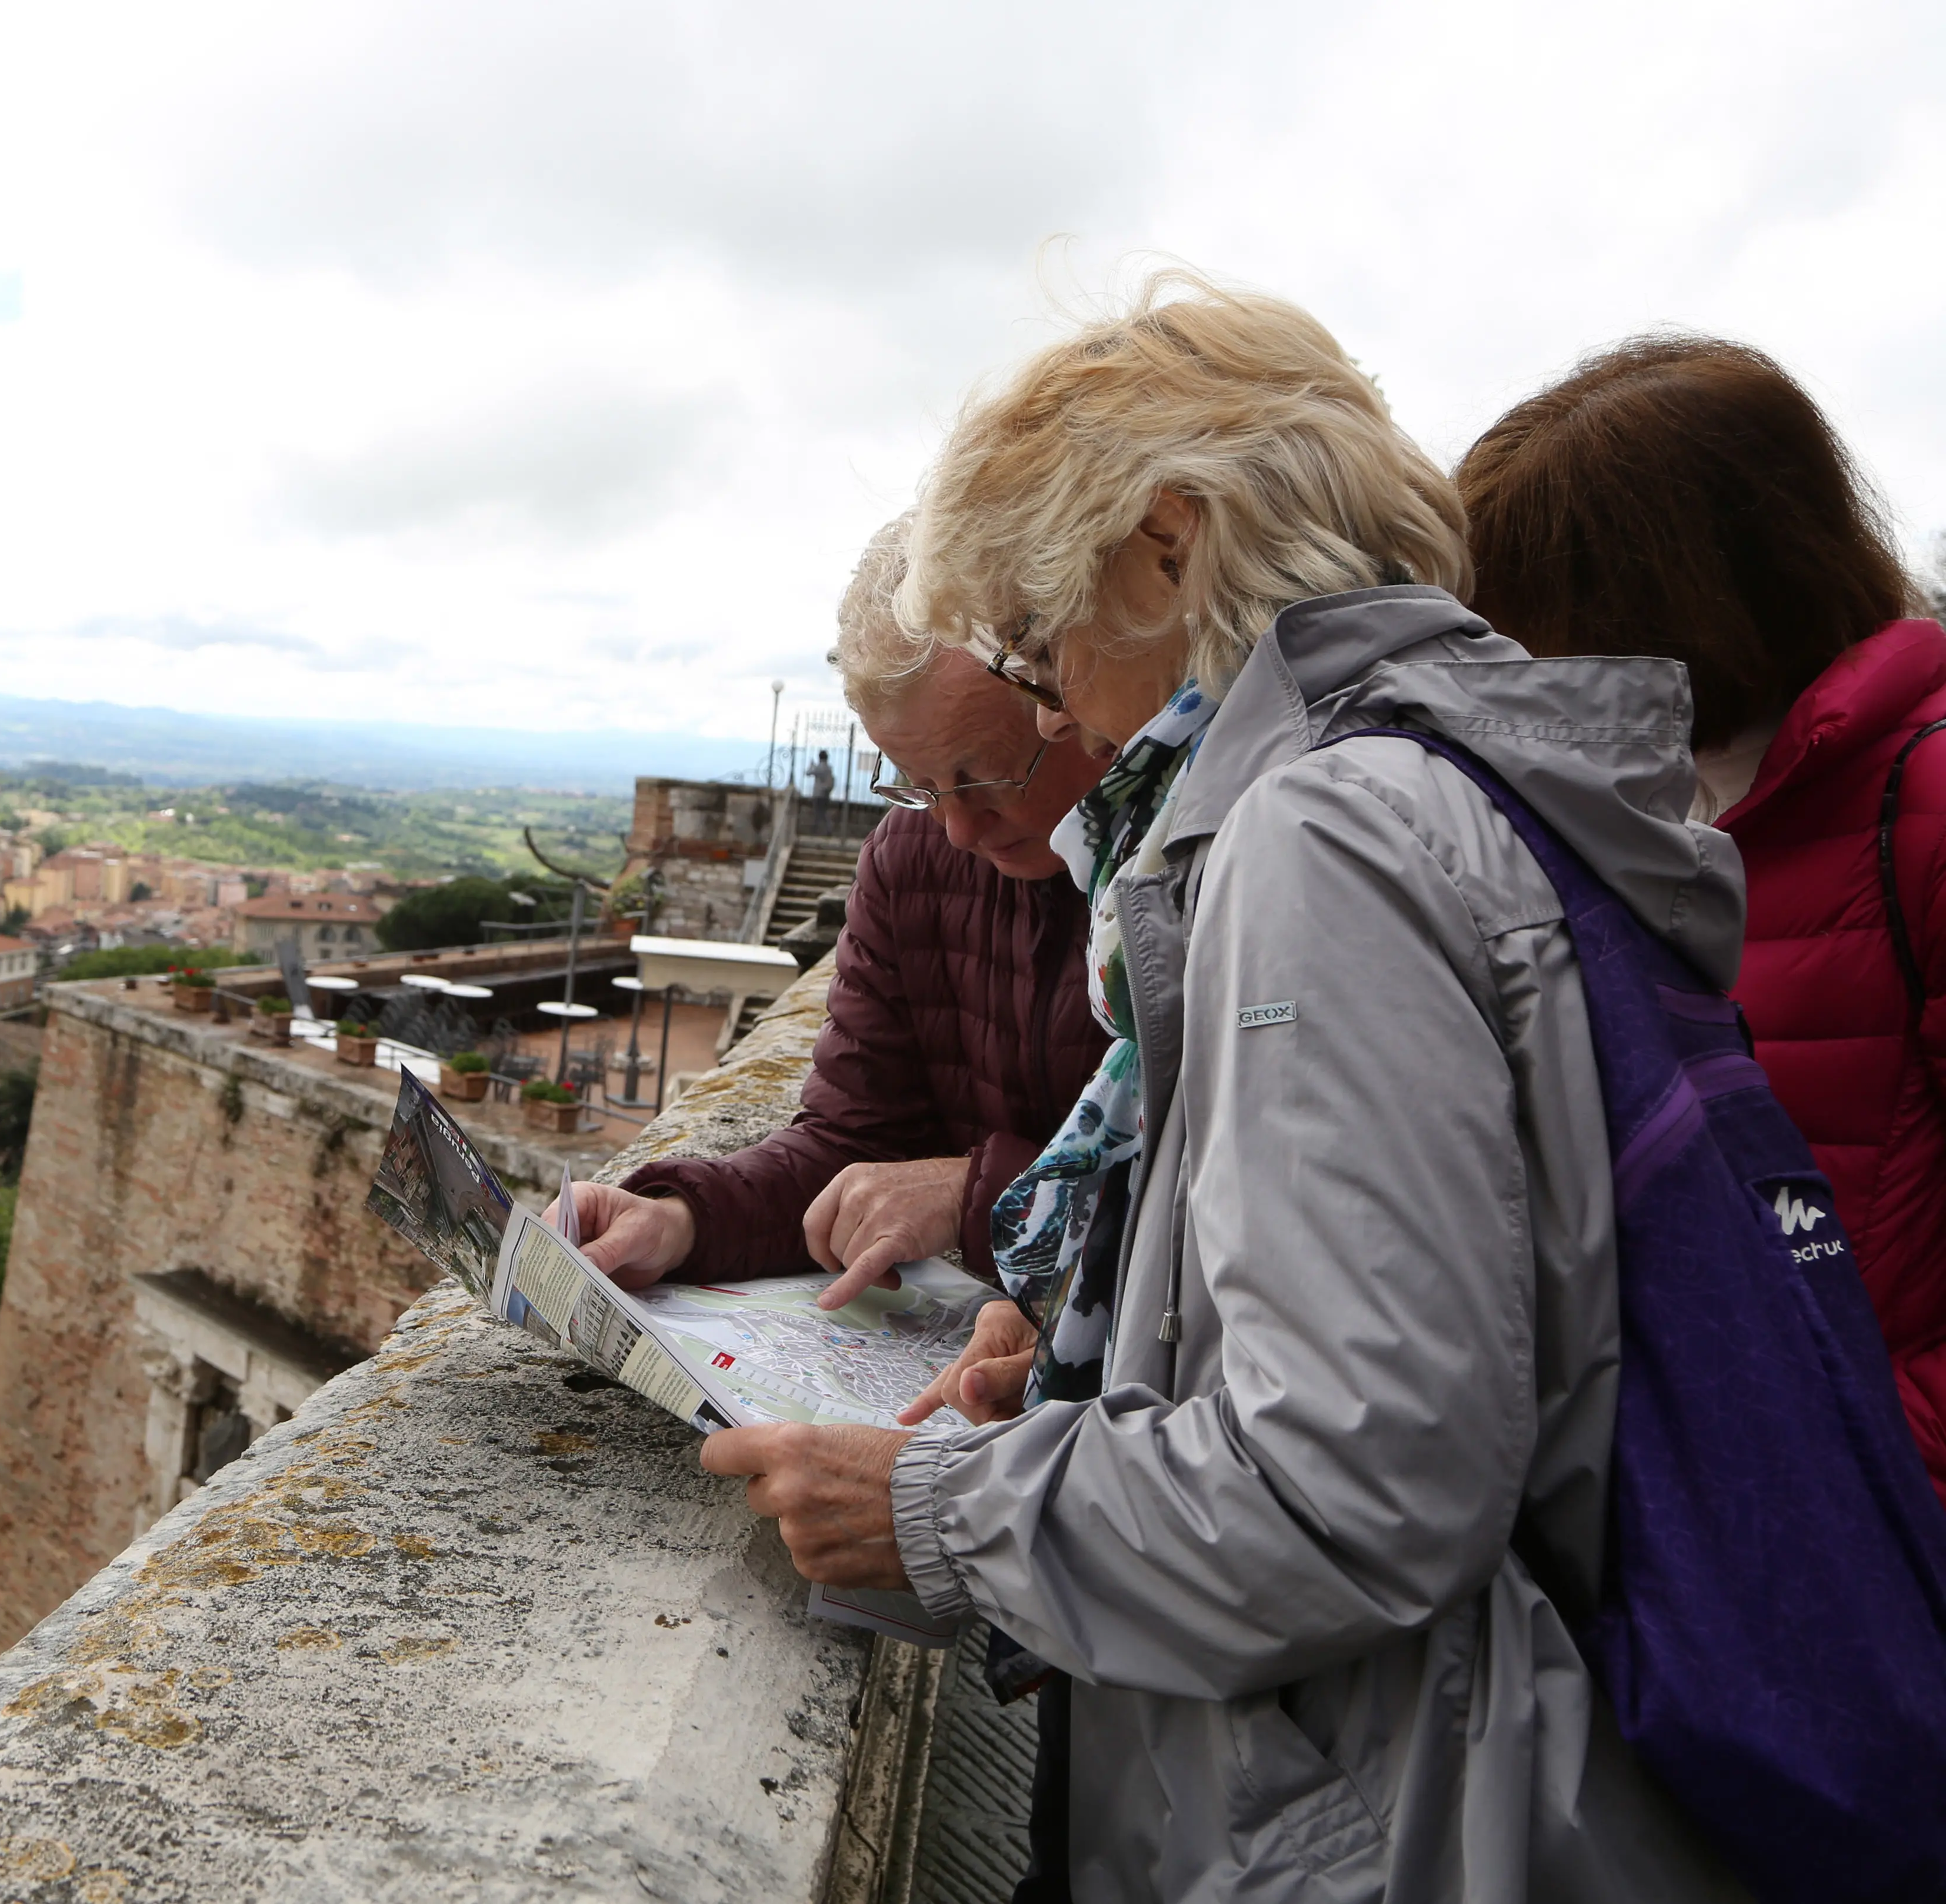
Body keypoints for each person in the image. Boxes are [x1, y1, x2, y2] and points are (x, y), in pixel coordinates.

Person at [702, 277, 1751, 1900]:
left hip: (1391, 1821)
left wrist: (940, 1508)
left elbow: (1361, 1485)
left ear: (1169, 545)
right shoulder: (1477, 773)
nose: (1057, 708)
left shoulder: (1324, 837)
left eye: (1044, 644)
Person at [1457, 334, 1946, 1507]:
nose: (1514, 674)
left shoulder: (1919, 802)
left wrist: (1855, 1477)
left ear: (1662, 601)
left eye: (1536, 627)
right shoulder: (1661, 823)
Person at [557, 518, 1112, 1319]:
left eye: (983, 774)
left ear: (1073, 697)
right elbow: (856, 1145)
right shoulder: (911, 858)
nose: (957, 829)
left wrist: (973, 1194)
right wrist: (683, 1218)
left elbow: (1218, 1212)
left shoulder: (1193, 865)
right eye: (916, 784)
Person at [808, 746, 838, 831]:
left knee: (818, 812)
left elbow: (808, 773)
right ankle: (828, 829)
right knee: (824, 813)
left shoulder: (819, 768)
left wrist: (811, 766)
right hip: (826, 794)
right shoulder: (829, 768)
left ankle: (817, 829)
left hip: (818, 794)